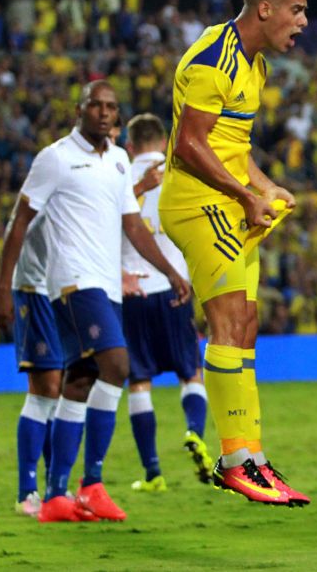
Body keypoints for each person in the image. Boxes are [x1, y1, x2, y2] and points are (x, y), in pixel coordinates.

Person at [0, 80, 190, 523]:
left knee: (78, 379)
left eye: (111, 107)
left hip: (106, 284)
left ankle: (58, 495)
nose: (103, 113)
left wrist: (172, 272)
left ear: (118, 118)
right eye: (95, 106)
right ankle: (90, 484)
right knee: (115, 365)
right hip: (69, 283)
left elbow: (134, 227)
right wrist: (3, 289)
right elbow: (18, 222)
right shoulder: (55, 158)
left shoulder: (119, 161)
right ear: (79, 110)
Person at [158, 0, 309, 506]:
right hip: (199, 202)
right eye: (297, 10)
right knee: (226, 322)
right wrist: (248, 199)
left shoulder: (256, 64)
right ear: (265, 10)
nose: (303, 23)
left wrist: (265, 186)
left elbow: (231, 143)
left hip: (226, 199)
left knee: (245, 323)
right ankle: (235, 459)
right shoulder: (212, 59)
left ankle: (252, 455)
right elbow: (189, 148)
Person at [120, 113, 214, 493]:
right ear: (162, 141)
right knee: (190, 371)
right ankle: (194, 432)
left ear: (130, 145)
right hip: (175, 288)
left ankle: (153, 472)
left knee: (139, 380)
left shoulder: (118, 175)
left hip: (133, 290)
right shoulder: (181, 171)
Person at [10, 210, 63, 518]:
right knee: (45, 388)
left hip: (61, 288)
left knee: (63, 391)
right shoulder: (50, 174)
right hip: (35, 290)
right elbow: (15, 229)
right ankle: (26, 491)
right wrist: (4, 289)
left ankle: (55, 488)